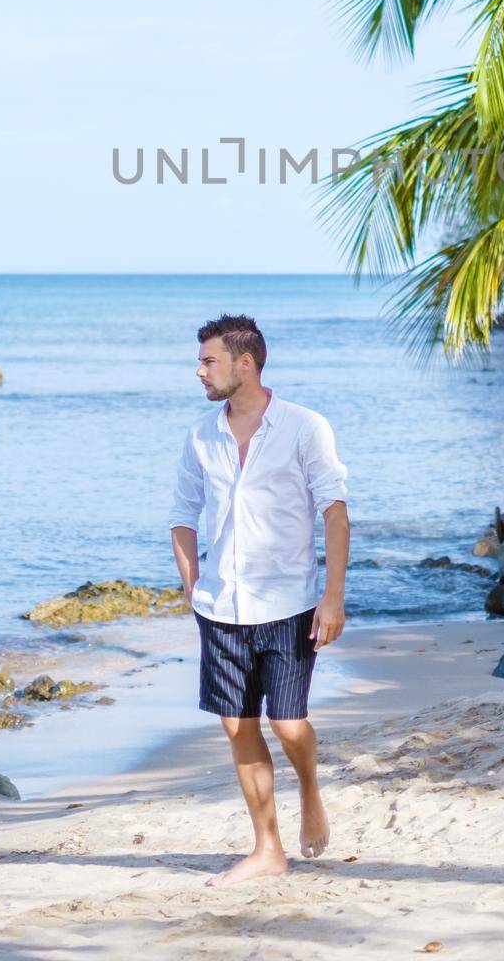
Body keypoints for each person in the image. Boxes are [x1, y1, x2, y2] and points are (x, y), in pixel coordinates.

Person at [168, 312, 350, 885]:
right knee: (237, 725)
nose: (199, 371)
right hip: (221, 607)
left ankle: (311, 788)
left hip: (290, 603)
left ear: (244, 364)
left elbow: (334, 512)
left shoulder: (304, 427)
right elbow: (181, 516)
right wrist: (191, 583)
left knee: (289, 724)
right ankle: (268, 847)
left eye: (208, 360)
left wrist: (333, 596)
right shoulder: (201, 434)